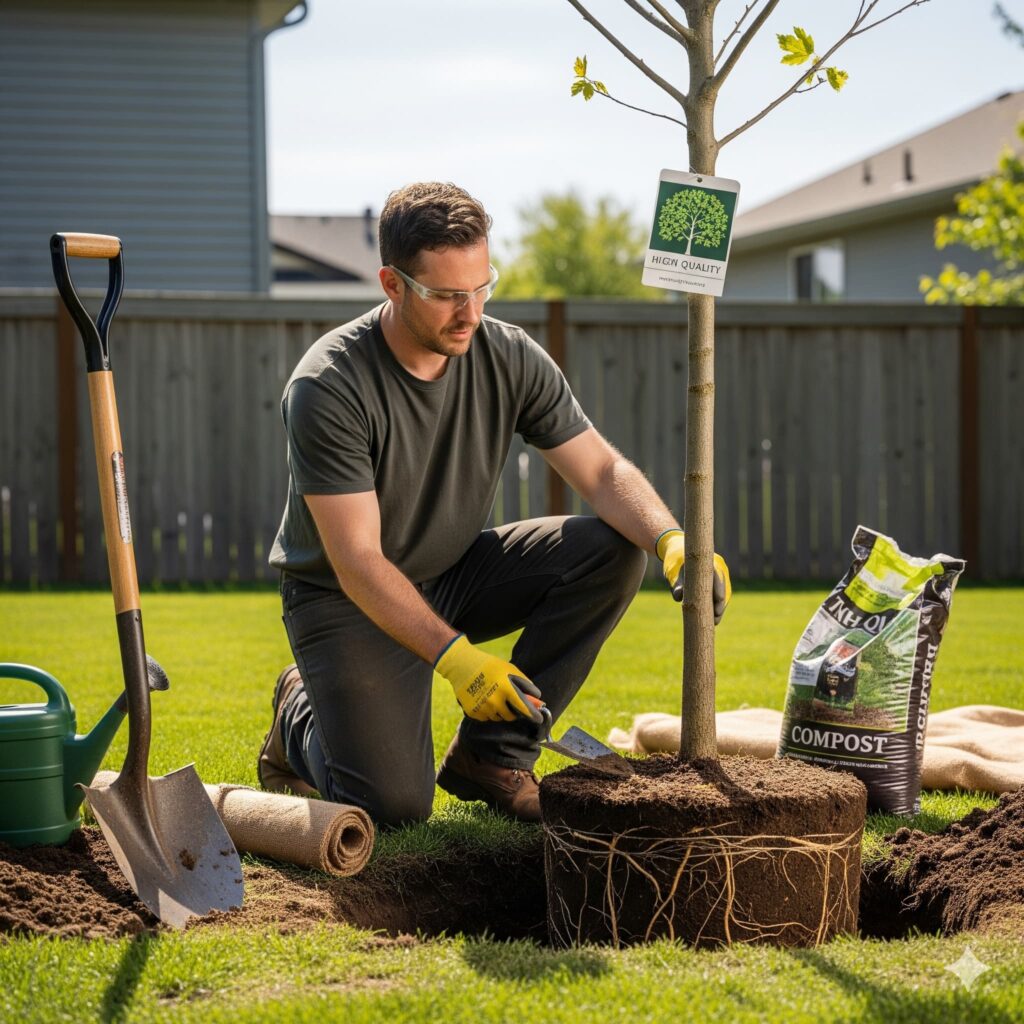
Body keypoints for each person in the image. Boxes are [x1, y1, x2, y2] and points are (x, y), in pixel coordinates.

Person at [259, 181, 731, 826]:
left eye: (483, 287)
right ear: (392, 285)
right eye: (448, 295)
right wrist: (458, 661)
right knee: (393, 806)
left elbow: (600, 470)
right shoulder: (330, 385)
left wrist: (671, 539)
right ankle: (297, 716)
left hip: (451, 574)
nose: (471, 312)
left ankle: (493, 758)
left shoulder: (506, 354)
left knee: (611, 551)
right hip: (344, 600)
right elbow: (357, 560)